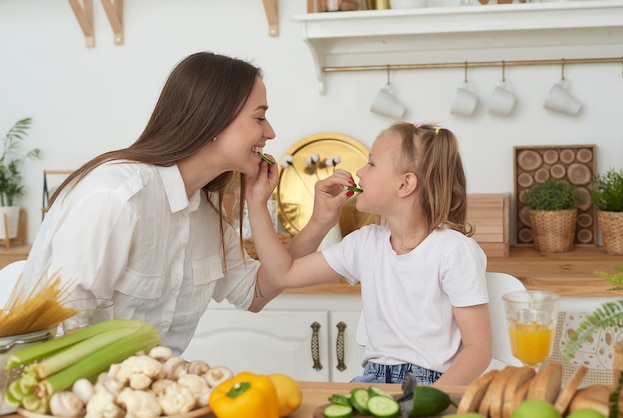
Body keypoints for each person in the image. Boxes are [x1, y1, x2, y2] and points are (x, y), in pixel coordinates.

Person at [21, 52, 350, 355]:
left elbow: (255, 293)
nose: (271, 132)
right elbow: (65, 332)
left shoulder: (207, 212)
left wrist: (319, 221)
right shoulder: (115, 199)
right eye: (260, 118)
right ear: (214, 121)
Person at [246, 122, 492, 386]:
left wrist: (429, 402)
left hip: (433, 387)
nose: (360, 172)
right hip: (371, 380)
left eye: (371, 164)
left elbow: (478, 351)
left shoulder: (455, 252)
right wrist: (256, 202)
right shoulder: (365, 244)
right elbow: (283, 274)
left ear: (405, 184)